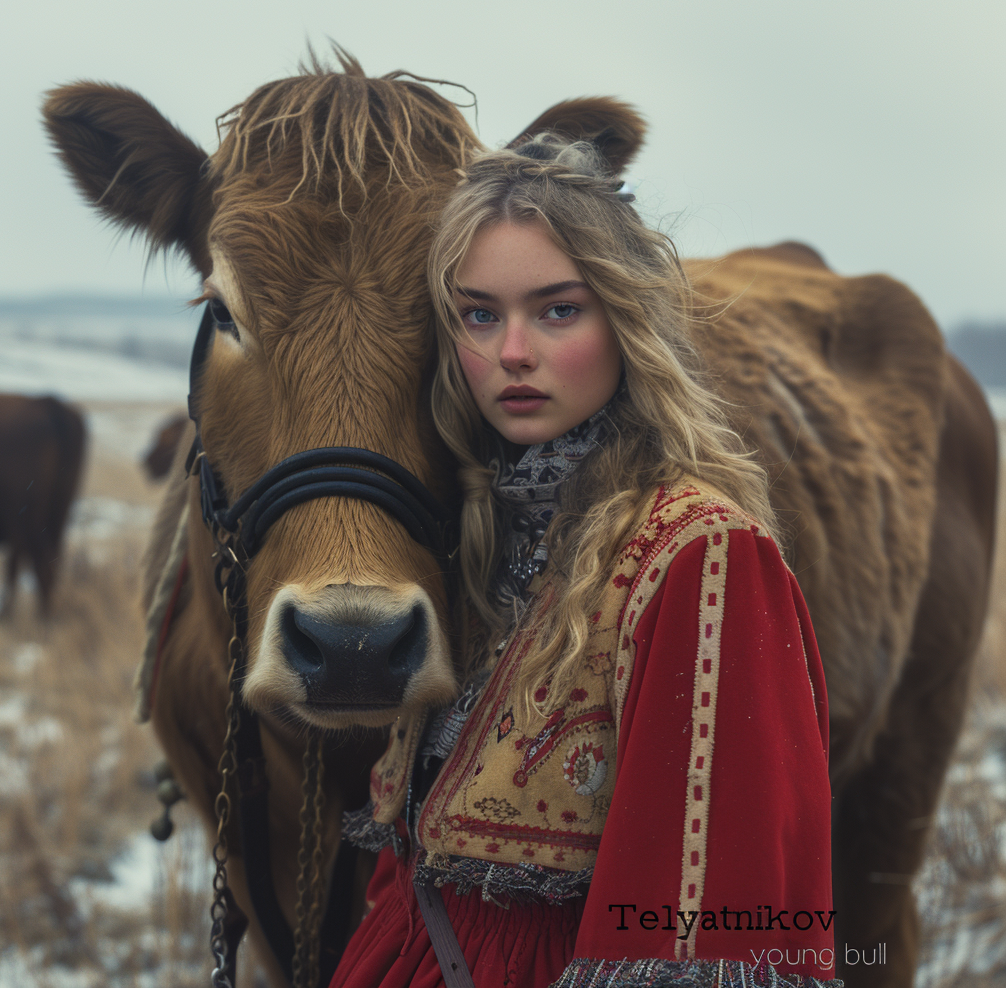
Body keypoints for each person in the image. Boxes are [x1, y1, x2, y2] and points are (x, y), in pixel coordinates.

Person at [331, 136, 839, 988]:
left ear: (625, 319)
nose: (512, 353)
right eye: (479, 315)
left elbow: (707, 931)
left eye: (557, 310)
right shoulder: (477, 543)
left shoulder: (703, 557)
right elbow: (410, 871)